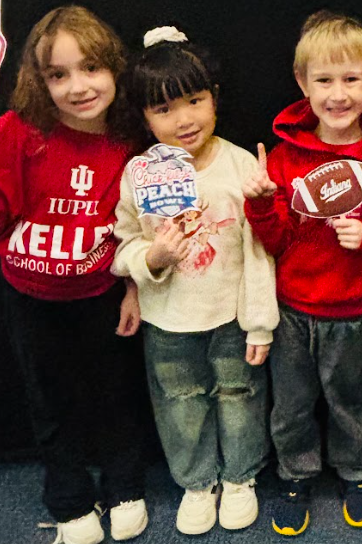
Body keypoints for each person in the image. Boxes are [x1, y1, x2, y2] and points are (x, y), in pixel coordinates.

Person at [0, 6, 147, 544]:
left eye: (90, 68)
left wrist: (133, 289)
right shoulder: (19, 131)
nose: (77, 87)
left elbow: (139, 226)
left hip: (101, 292)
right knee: (49, 399)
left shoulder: (131, 139)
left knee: (115, 392)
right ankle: (68, 493)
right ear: (40, 81)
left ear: (114, 68)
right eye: (59, 75)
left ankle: (124, 482)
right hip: (30, 296)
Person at [112, 26, 278, 536]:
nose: (184, 119)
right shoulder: (139, 172)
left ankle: (240, 478)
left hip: (230, 316)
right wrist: (151, 257)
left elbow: (259, 252)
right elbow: (122, 243)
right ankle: (197, 483)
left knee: (240, 394)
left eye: (194, 101)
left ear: (214, 98)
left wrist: (260, 323)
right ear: (143, 116)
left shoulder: (240, 164)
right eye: (164, 109)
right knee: (179, 403)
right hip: (167, 317)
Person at [243, 11, 362, 536]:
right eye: (324, 80)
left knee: (348, 401)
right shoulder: (284, 158)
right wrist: (260, 205)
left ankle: (355, 471)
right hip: (293, 310)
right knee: (291, 407)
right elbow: (275, 243)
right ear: (302, 83)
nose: (337, 94)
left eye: (351, 79)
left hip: (356, 310)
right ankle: (295, 475)